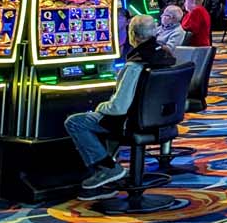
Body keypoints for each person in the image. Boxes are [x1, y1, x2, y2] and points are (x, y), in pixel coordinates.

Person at [64, 14, 176, 192]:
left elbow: (118, 108)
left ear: (132, 35)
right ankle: (110, 170)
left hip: (132, 122)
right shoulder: (165, 55)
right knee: (103, 119)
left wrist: (99, 107)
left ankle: (107, 168)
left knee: (76, 122)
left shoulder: (135, 65)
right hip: (162, 120)